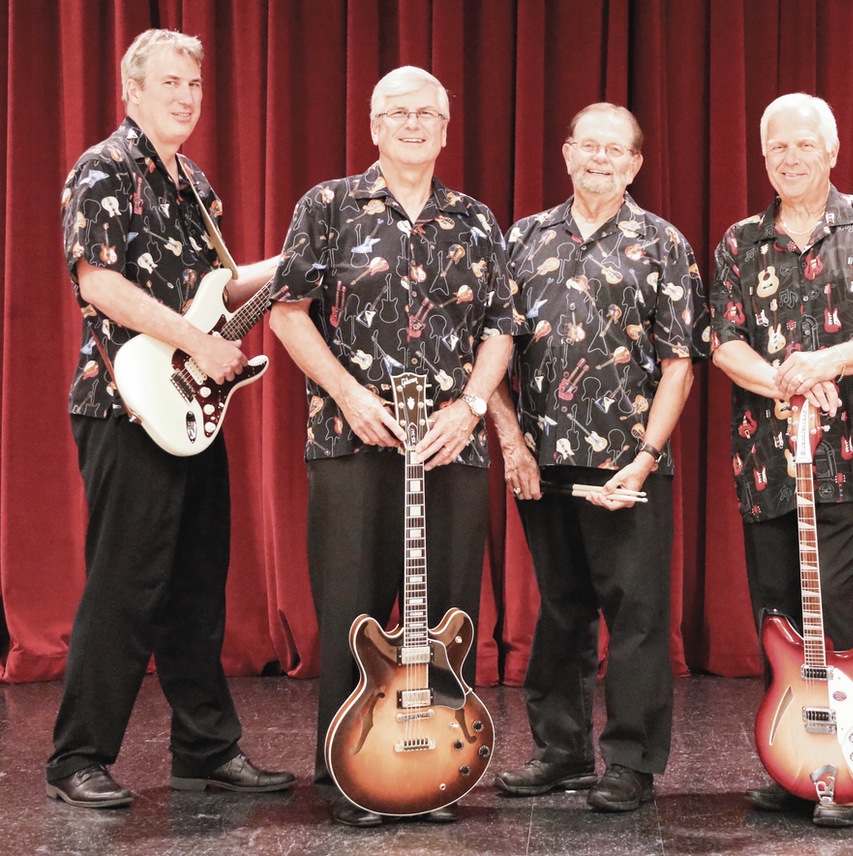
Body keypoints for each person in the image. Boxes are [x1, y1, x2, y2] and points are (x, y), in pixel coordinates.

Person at [48, 29, 294, 808]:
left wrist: (299, 259)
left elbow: (218, 288)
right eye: (170, 83)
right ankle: (75, 758)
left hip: (191, 405)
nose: (186, 95)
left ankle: (205, 750)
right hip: (124, 402)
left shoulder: (195, 184)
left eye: (194, 83)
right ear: (133, 90)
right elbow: (99, 285)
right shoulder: (102, 169)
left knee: (196, 585)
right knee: (125, 585)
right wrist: (194, 340)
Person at [269, 66, 518, 827]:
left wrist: (471, 408)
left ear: (445, 128)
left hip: (451, 449)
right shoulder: (328, 206)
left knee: (447, 613)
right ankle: (350, 776)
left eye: (426, 114)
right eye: (397, 113)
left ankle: (433, 772)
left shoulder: (476, 220)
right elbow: (286, 313)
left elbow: (500, 329)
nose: (413, 125)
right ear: (374, 125)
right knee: (349, 607)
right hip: (352, 441)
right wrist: (348, 393)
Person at [490, 103, 708, 812]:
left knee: (636, 614)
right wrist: (511, 441)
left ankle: (632, 765)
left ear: (636, 164)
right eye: (590, 146)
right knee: (560, 609)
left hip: (627, 464)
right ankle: (560, 752)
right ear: (566, 152)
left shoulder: (663, 244)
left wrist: (646, 458)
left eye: (617, 150)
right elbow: (489, 354)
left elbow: (680, 364)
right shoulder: (522, 239)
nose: (601, 159)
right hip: (542, 458)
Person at [709, 93, 853, 828]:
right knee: (776, 616)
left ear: (832, 150)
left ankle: (840, 767)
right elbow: (724, 343)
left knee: (828, 611)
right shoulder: (738, 242)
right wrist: (789, 380)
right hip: (765, 456)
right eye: (776, 148)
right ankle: (792, 765)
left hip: (849, 453)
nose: (789, 158)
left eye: (803, 145)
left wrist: (822, 362)